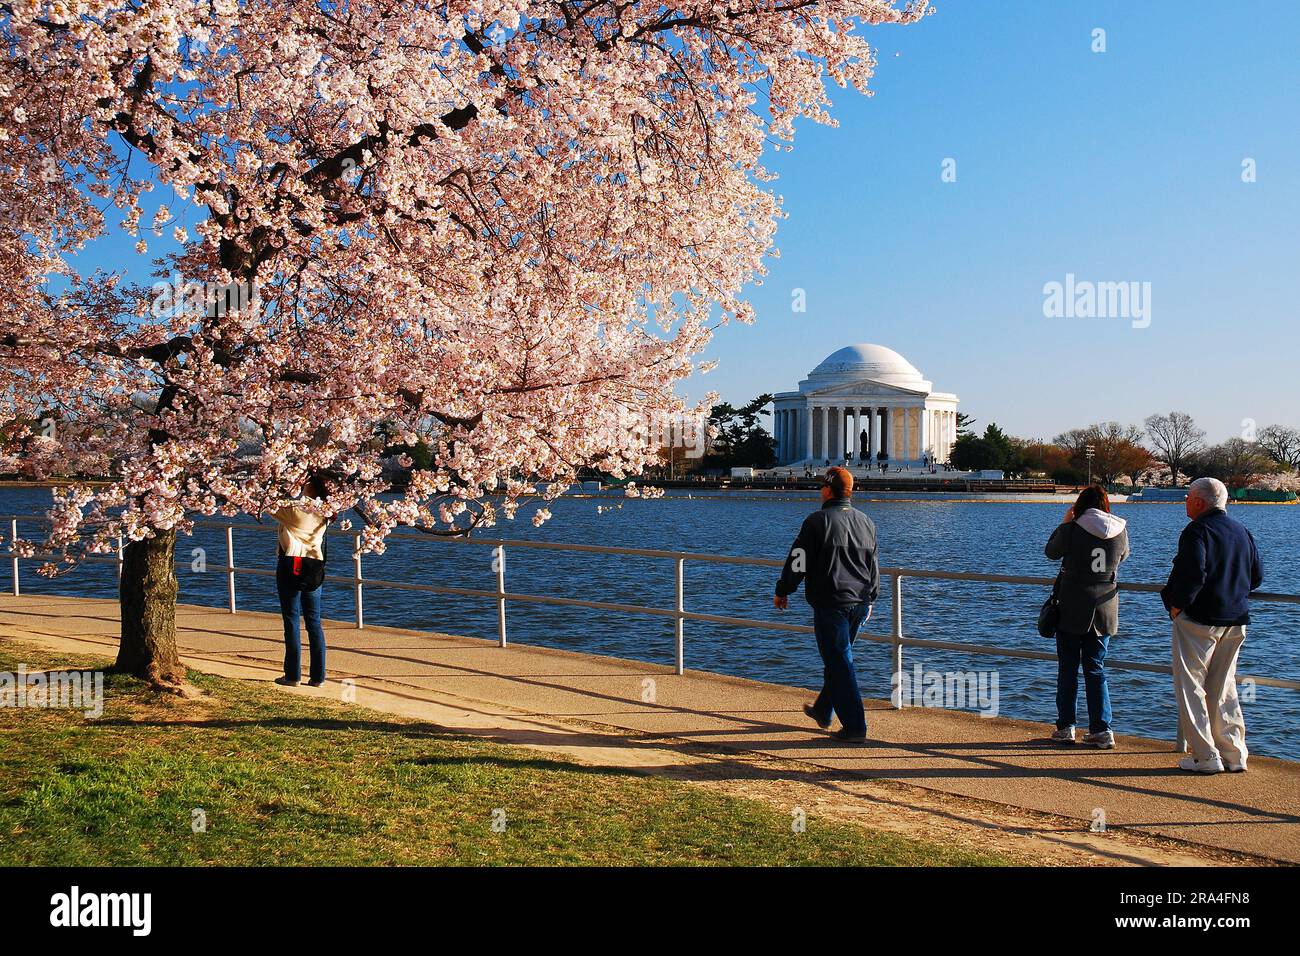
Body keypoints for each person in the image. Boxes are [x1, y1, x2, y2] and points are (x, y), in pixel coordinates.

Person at [1162, 477, 1264, 774]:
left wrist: (1176, 605)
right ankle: (1234, 753)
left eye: (1187, 497)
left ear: (1198, 501)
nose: (1184, 502)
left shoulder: (1197, 530)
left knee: (1191, 685)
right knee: (1224, 687)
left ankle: (1205, 756)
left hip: (1199, 620)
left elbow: (1192, 573)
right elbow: (1257, 575)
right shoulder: (1241, 531)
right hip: (1236, 618)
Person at [774, 467, 879, 743]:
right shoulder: (866, 522)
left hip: (831, 602)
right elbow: (873, 566)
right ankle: (823, 709)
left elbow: (798, 560)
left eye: (822, 487)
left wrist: (784, 590)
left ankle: (856, 727)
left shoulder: (816, 521)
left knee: (840, 662)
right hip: (859, 602)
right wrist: (872, 598)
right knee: (839, 659)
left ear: (827, 490)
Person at [1044, 485, 1130, 748]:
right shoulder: (1120, 530)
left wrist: (1064, 522)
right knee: (1096, 668)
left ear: (1079, 505)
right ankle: (1102, 729)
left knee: (1068, 668)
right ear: (1106, 505)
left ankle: (1066, 726)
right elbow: (1123, 557)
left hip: (1072, 605)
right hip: (1105, 607)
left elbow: (1051, 552)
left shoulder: (1072, 529)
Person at [272, 474, 331, 687]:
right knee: (314, 622)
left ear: (311, 488)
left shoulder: (297, 512)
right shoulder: (325, 512)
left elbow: (268, 505)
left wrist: (282, 487)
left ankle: (292, 675)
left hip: (291, 564)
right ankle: (318, 677)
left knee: (291, 620)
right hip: (314, 567)